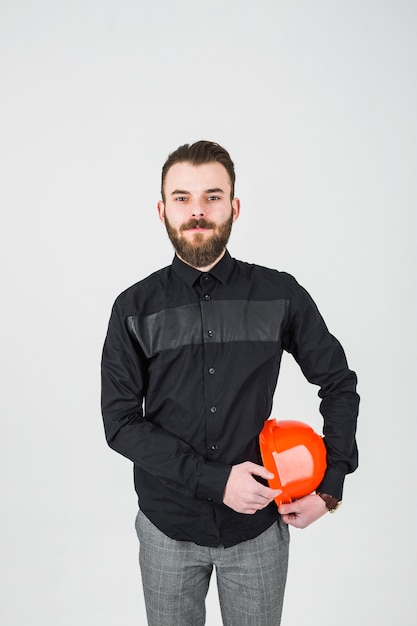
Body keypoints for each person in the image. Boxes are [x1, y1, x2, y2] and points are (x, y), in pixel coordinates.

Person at [101, 140, 359, 625]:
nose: (197, 211)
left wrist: (330, 485)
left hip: (257, 531)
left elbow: (339, 383)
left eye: (212, 197)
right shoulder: (132, 308)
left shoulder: (280, 294)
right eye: (182, 198)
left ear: (234, 207)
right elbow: (119, 424)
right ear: (162, 210)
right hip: (166, 529)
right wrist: (217, 482)